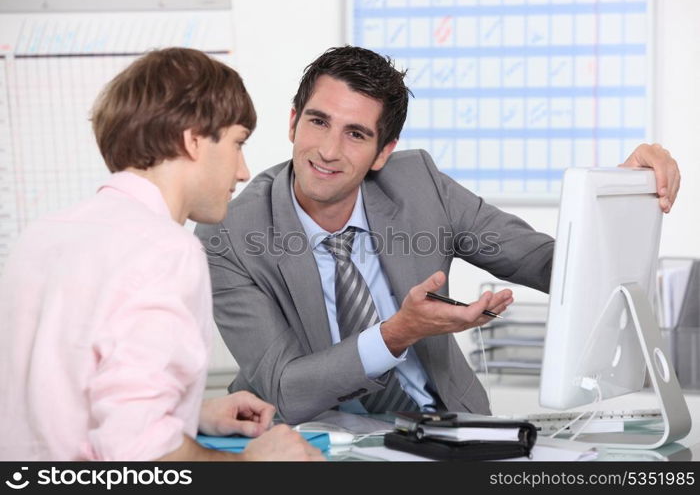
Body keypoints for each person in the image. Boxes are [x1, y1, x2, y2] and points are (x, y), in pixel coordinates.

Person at [194, 46, 681, 424]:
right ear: (294, 121)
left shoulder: (417, 183)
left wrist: (616, 198)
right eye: (318, 122)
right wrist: (395, 334)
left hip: (448, 429)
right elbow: (286, 387)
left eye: (356, 134)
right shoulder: (228, 235)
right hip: (312, 440)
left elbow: (546, 263)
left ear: (383, 152)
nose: (327, 150)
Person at [0, 48, 324, 461]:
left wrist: (190, 415)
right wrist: (251, 465)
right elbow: (139, 455)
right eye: (237, 143)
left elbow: (61, 405)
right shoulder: (166, 251)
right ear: (193, 140)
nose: (243, 171)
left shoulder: (42, 237)